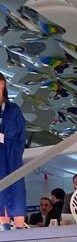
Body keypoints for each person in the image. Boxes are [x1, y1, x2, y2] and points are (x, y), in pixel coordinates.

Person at [0, 73, 27, 230]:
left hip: (11, 155)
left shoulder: (13, 109)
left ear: (3, 84)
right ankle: (5, 229)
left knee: (16, 190)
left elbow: (21, 137)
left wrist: (9, 145)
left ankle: (19, 229)